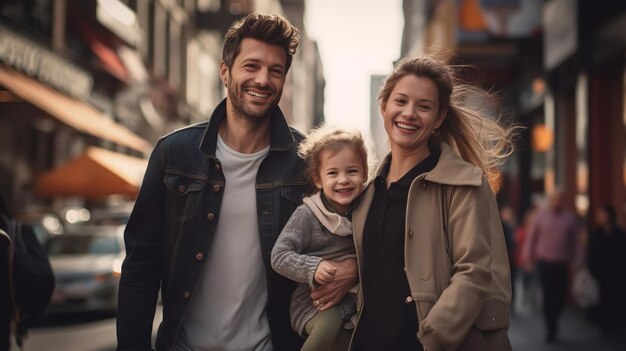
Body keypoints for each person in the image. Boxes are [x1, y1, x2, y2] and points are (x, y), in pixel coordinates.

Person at [116, 13, 357, 351]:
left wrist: (353, 268)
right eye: (251, 66)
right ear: (225, 71)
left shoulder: (306, 162)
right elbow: (141, 265)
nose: (263, 79)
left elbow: (356, 231)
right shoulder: (174, 154)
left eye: (276, 71)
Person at [349, 54, 516, 351]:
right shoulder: (365, 193)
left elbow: (474, 272)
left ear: (439, 117)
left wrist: (432, 339)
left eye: (423, 106)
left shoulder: (465, 184)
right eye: (400, 101)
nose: (409, 113)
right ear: (384, 106)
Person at [271, 127, 367, 351]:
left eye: (352, 171)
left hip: (355, 300)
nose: (343, 180)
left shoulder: (367, 207)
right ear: (318, 179)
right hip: (316, 303)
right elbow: (279, 256)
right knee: (328, 326)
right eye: (333, 173)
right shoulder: (308, 214)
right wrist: (314, 267)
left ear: (365, 173)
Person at [521, 188, 579, 343]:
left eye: (560, 199)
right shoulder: (540, 217)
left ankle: (555, 317)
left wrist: (576, 261)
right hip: (544, 263)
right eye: (554, 199)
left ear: (563, 200)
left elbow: (575, 242)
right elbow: (531, 239)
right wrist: (527, 260)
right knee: (547, 295)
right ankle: (550, 328)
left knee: (560, 296)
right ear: (550, 200)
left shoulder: (569, 218)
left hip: (562, 263)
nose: (557, 202)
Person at [587, 204, 626, 335]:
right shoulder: (596, 235)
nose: (601, 217)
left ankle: (615, 323)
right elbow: (591, 254)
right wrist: (592, 270)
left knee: (616, 298)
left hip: (617, 272)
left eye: (604, 214)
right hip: (601, 273)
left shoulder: (619, 233)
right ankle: (605, 324)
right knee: (603, 298)